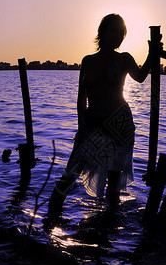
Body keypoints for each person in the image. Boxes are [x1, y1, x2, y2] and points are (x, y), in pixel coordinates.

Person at [47, 13, 155, 215]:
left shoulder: (124, 59)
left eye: (121, 32)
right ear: (102, 32)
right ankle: (50, 219)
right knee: (69, 175)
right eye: (113, 30)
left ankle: (108, 230)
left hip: (119, 125)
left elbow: (140, 77)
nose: (118, 36)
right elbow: (82, 98)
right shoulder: (87, 61)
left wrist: (152, 52)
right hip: (92, 125)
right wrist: (81, 128)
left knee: (113, 188)